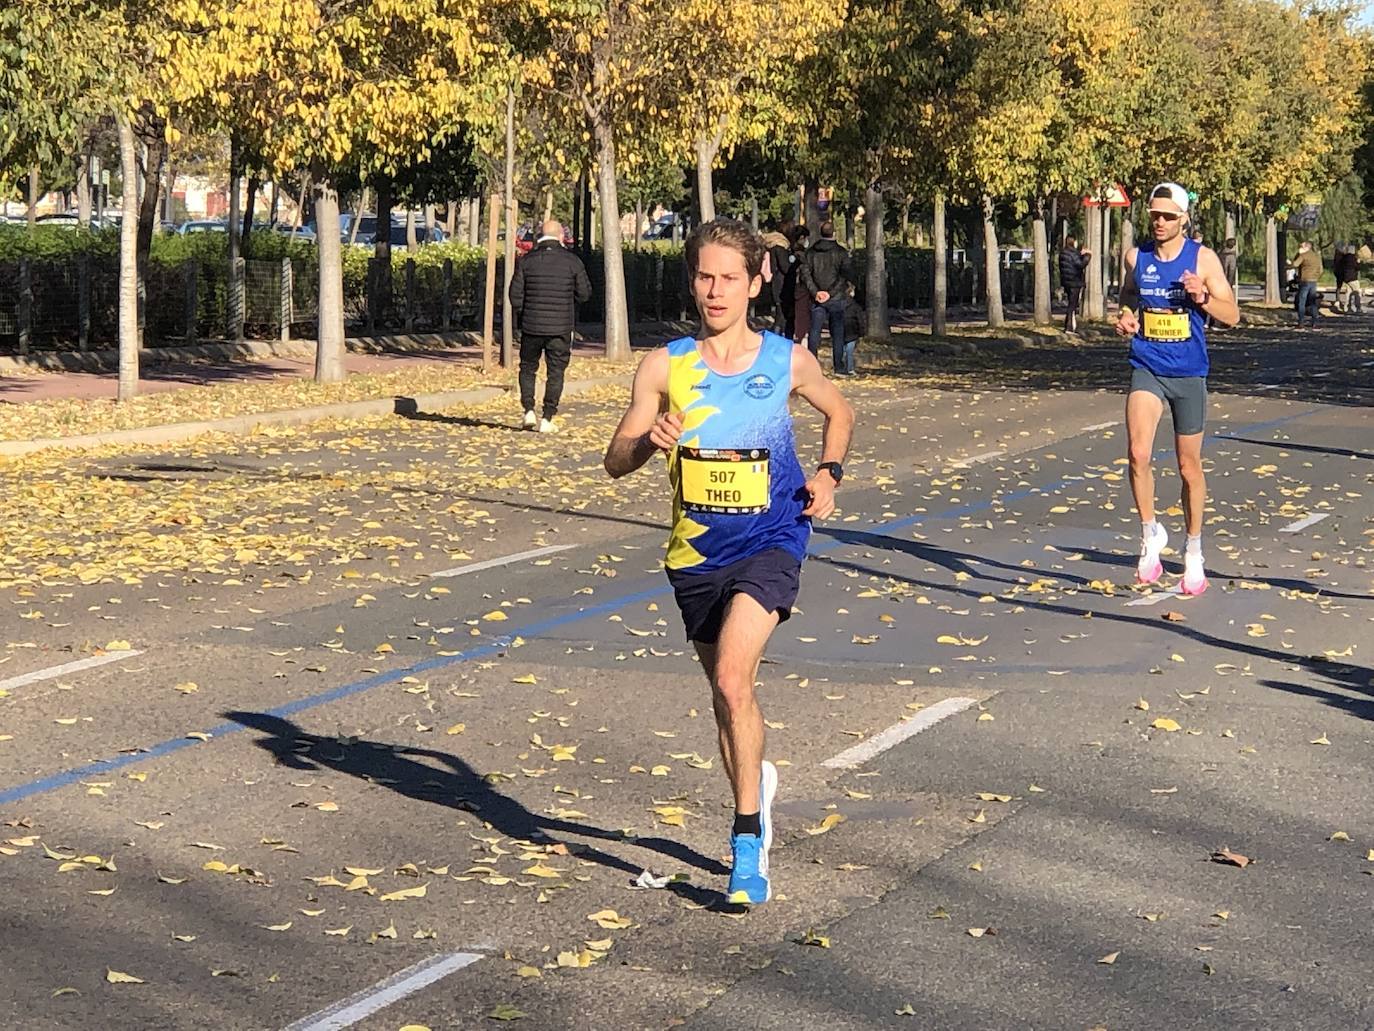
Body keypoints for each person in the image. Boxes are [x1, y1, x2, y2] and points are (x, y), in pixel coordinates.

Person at [603, 219, 854, 906]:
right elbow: (614, 461)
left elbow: (841, 411)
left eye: (728, 278)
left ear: (756, 281)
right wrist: (649, 443)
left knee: (736, 682)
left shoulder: (786, 360)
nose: (714, 291)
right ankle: (757, 786)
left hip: (771, 539)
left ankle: (747, 841)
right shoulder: (666, 365)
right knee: (725, 695)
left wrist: (828, 474)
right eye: (704, 277)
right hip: (695, 556)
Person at [1115, 182, 1239, 597]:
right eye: (1154, 215)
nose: (1161, 222)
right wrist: (1126, 316)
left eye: (1168, 215)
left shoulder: (1202, 259)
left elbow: (1232, 314)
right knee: (1137, 453)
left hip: (1189, 373)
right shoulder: (1137, 257)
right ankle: (1150, 533)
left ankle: (1193, 549)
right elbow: (1129, 297)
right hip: (1147, 365)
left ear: (1184, 218)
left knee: (1188, 467)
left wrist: (1202, 297)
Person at [509, 219, 592, 432]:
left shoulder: (527, 261)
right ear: (561, 236)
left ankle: (528, 410)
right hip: (561, 327)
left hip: (531, 326)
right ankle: (547, 417)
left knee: (528, 367)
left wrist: (524, 312)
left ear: (539, 236)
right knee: (556, 372)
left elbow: (514, 295)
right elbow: (584, 293)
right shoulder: (572, 262)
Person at [800, 220, 855, 371]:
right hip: (836, 297)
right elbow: (845, 275)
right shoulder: (840, 252)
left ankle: (811, 365)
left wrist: (816, 292)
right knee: (837, 332)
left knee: (815, 331)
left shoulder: (810, 252)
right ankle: (838, 365)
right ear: (834, 233)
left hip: (817, 297)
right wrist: (830, 293)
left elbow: (806, 274)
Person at [760, 220, 793, 331]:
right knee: (781, 316)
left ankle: (776, 335)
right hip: (781, 283)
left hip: (775, 281)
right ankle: (776, 337)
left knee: (779, 313)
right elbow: (785, 267)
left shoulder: (771, 245)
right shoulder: (780, 247)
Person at [782, 224, 811, 344]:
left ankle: (789, 340)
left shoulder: (787, 251)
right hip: (798, 291)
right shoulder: (801, 255)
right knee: (798, 318)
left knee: (789, 319)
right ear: (802, 238)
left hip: (787, 290)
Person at [1058, 235, 1091, 333]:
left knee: (1070, 303)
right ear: (1073, 242)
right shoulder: (1073, 253)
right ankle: (1069, 327)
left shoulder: (1063, 253)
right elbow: (1080, 264)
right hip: (1074, 281)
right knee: (1072, 305)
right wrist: (1087, 256)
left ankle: (1069, 325)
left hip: (1066, 281)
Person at [1289, 240, 1322, 330]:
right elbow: (1321, 270)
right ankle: (1315, 323)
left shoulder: (1303, 255)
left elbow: (1295, 264)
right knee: (1313, 302)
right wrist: (1316, 277)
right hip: (1314, 281)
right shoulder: (1316, 256)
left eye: (1302, 246)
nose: (1300, 248)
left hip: (1305, 280)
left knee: (1302, 301)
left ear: (1306, 247)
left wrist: (1294, 259)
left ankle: (1301, 323)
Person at [1334, 243, 1362, 314]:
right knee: (1357, 293)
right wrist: (1358, 262)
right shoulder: (1353, 258)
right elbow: (1357, 268)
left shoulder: (1344, 258)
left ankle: (1347, 309)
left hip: (1346, 278)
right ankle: (1358, 308)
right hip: (1353, 278)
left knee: (1348, 293)